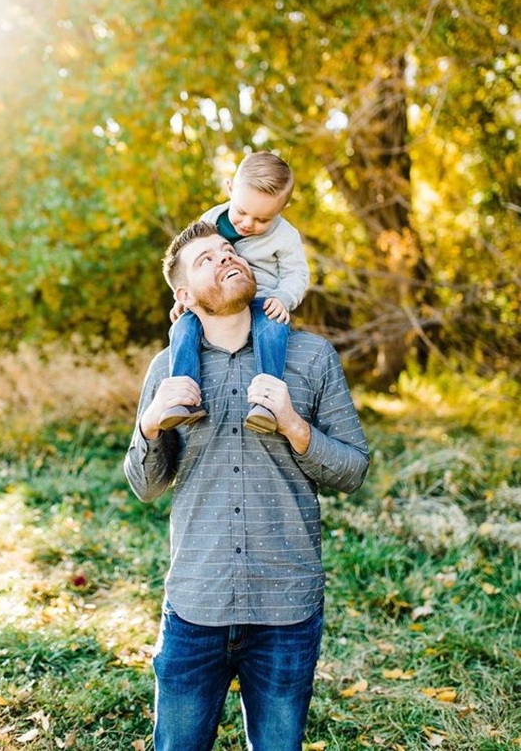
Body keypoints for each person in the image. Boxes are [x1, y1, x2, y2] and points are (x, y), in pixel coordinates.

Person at [124, 220, 370, 751]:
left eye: (227, 250)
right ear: (184, 296)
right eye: (206, 259)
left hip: (287, 604)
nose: (225, 259)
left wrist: (294, 427)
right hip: (197, 600)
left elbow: (353, 470)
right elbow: (145, 486)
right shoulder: (167, 369)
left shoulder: (310, 357)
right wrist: (150, 426)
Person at [160, 151, 310, 435]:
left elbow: (297, 273)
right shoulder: (210, 219)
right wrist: (184, 298)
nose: (248, 224)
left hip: (264, 299)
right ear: (230, 188)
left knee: (273, 328)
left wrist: (283, 298)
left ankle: (266, 404)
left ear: (282, 209)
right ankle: (184, 397)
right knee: (183, 328)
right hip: (216, 301)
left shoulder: (285, 236)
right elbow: (187, 263)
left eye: (262, 219)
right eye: (241, 212)